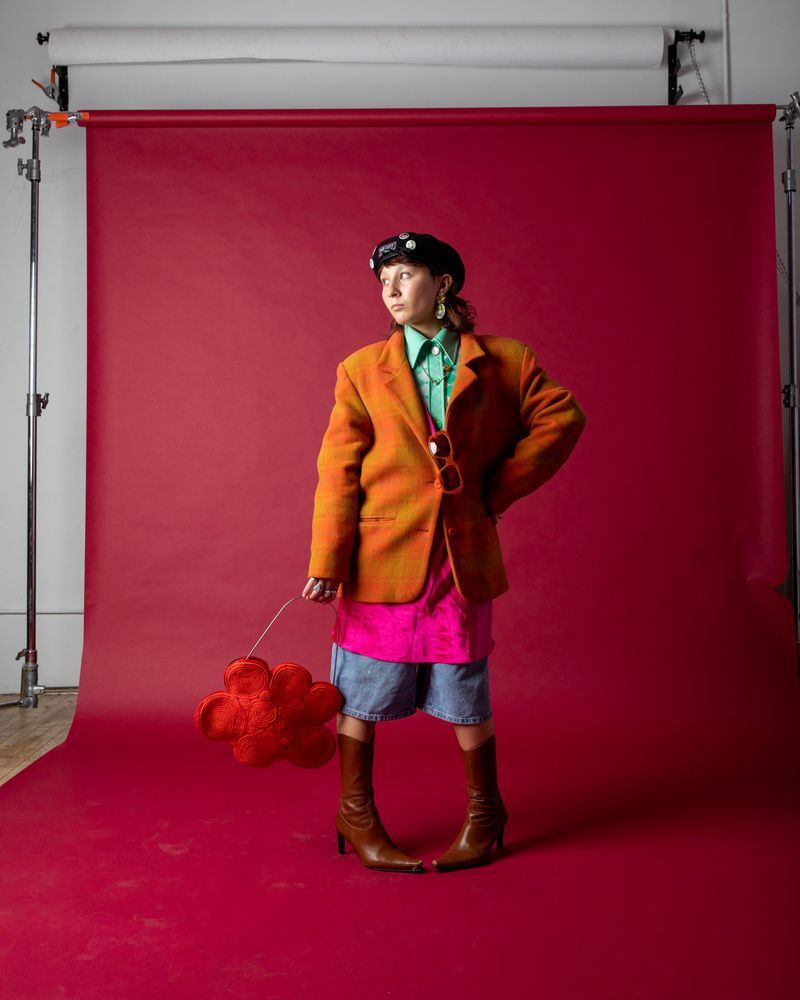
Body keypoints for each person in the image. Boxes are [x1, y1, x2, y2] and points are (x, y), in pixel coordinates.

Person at [302, 232, 587, 873]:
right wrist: (326, 561)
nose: (392, 290)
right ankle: (356, 812)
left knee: (465, 684)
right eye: (384, 280)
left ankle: (486, 816)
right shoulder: (360, 368)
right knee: (361, 689)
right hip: (378, 556)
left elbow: (562, 419)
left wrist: (493, 491)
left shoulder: (505, 360)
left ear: (444, 283)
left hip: (461, 555)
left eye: (405, 275)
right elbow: (337, 469)